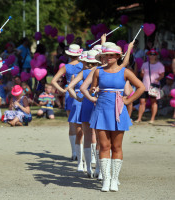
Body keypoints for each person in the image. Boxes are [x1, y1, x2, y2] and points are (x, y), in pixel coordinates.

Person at [88, 43, 145, 192]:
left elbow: (141, 87)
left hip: (118, 111)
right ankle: (105, 180)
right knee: (104, 146)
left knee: (116, 146)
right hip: (101, 110)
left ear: (118, 56)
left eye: (111, 55)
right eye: (106, 55)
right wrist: (93, 90)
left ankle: (114, 180)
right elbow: (92, 90)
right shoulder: (98, 72)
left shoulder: (125, 71)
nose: (108, 57)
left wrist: (127, 100)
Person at [67, 50, 101, 178]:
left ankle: (87, 167)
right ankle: (98, 168)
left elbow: (70, 87)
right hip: (98, 103)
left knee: (86, 136)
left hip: (86, 103)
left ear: (86, 61)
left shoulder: (83, 72)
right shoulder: (100, 71)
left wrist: (79, 98)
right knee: (98, 136)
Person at [51, 44, 84, 170]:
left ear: (69, 54)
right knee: (83, 124)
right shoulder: (83, 65)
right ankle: (80, 151)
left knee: (72, 124)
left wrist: (63, 90)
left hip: (70, 95)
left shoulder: (66, 67)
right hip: (82, 92)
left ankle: (74, 153)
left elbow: (53, 80)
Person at [135, 49, 165, 123]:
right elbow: (142, 75)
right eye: (150, 54)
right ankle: (139, 118)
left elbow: (162, 75)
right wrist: (142, 73)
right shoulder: (145, 64)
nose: (152, 56)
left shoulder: (160, 65)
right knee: (142, 102)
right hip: (144, 85)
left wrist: (158, 79)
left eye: (153, 55)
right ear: (148, 55)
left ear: (156, 56)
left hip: (154, 86)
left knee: (153, 102)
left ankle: (152, 119)